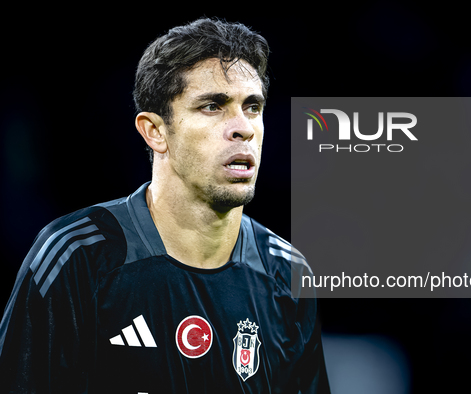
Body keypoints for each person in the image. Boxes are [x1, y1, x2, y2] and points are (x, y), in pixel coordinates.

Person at [0, 17, 330, 393]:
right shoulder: (77, 256)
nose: (244, 127)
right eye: (212, 106)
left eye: (252, 107)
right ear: (155, 131)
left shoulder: (287, 272)